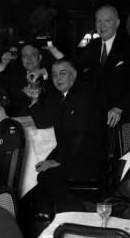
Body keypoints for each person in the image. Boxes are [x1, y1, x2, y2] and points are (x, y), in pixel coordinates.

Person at [28, 59, 104, 214]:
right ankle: (57, 217)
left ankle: (74, 217)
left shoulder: (84, 96)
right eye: (54, 75)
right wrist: (35, 100)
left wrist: (57, 161)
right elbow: (44, 122)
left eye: (63, 73)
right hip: (74, 155)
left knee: (47, 177)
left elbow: (81, 136)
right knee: (42, 174)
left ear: (74, 74)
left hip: (88, 159)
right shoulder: (62, 97)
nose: (58, 78)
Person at [77, 5, 130, 127]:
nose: (102, 26)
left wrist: (120, 107)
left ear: (117, 23)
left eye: (107, 21)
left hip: (122, 116)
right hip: (96, 115)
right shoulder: (92, 46)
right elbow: (75, 68)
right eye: (99, 21)